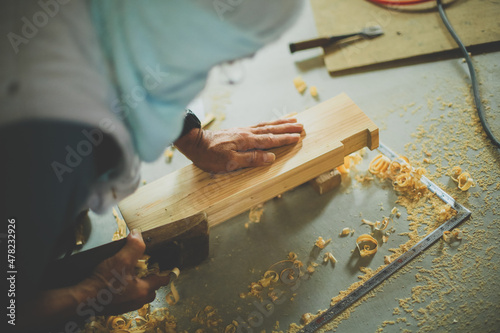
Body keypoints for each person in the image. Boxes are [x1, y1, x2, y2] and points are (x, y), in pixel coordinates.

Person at [0, 0, 303, 331]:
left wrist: (190, 135)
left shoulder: (111, 23)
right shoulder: (39, 164)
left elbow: (143, 59)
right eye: (220, 57)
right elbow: (10, 309)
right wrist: (89, 294)